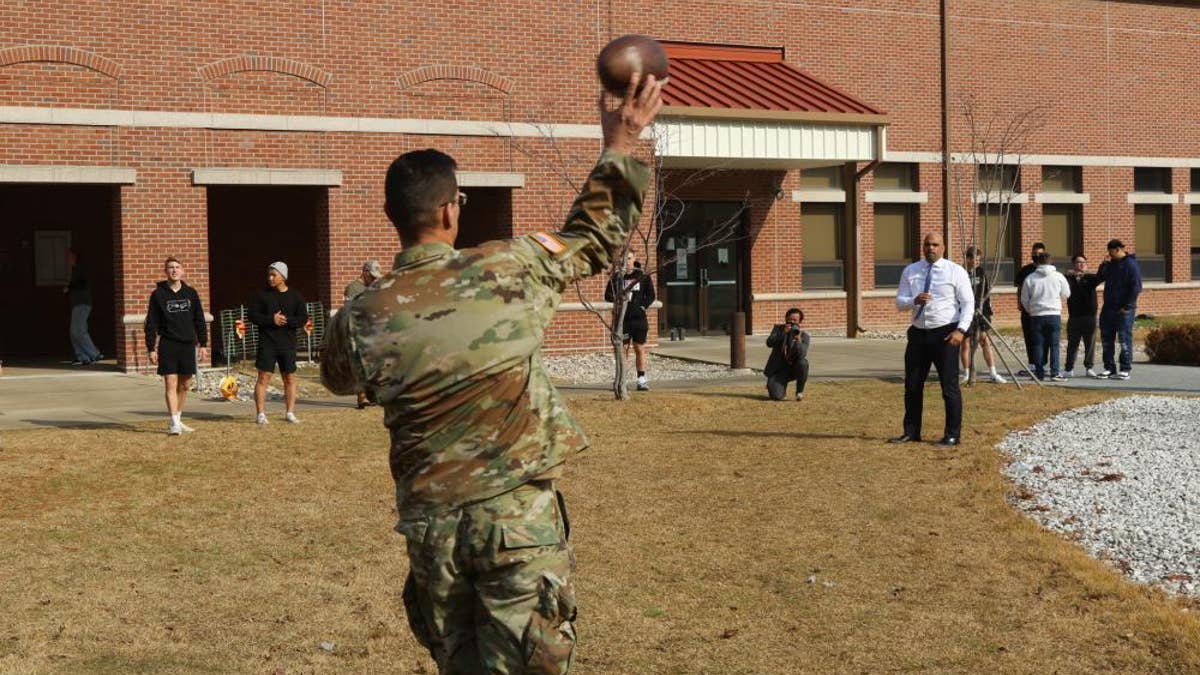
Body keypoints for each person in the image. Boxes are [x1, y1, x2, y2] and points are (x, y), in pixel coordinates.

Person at [320, 72, 662, 673]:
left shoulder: (362, 315)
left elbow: (339, 379)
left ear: (390, 215)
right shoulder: (508, 268)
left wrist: (368, 298)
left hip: (434, 532)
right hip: (516, 521)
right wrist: (622, 141)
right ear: (452, 210)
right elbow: (595, 240)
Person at [890, 232, 974, 447]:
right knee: (912, 385)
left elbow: (968, 304)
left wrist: (961, 331)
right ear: (922, 247)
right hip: (918, 333)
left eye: (935, 245)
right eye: (927, 244)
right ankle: (911, 431)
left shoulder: (956, 272)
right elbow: (899, 302)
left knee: (949, 387)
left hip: (945, 334)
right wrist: (913, 300)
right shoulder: (911, 271)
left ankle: (952, 435)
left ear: (943, 247)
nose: (931, 248)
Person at [144, 257, 209, 435]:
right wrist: (151, 347)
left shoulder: (191, 293)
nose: (174, 270)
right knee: (170, 383)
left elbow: (199, 320)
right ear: (166, 271)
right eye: (170, 267)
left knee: (185, 384)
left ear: (182, 271)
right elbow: (151, 323)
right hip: (168, 344)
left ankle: (178, 419)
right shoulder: (158, 295)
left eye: (177, 267)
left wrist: (203, 344)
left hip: (187, 345)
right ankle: (173, 422)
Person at [249, 261, 307, 424]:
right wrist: (271, 319)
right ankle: (260, 414)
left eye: (274, 275)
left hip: (287, 344)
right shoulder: (261, 295)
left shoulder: (295, 296)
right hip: (267, 343)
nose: (270, 278)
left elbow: (303, 318)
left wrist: (287, 321)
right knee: (263, 378)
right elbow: (252, 316)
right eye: (269, 274)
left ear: (283, 276)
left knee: (289, 378)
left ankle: (290, 412)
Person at [604, 251, 656, 391]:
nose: (626, 262)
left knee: (639, 348)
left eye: (629, 258)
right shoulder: (617, 277)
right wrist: (619, 299)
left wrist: (642, 306)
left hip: (638, 319)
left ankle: (641, 380)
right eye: (622, 260)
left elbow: (651, 295)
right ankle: (622, 380)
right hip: (622, 320)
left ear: (634, 259)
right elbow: (608, 295)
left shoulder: (642, 276)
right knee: (621, 350)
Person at [1095, 238, 1142, 380]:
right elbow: (1099, 278)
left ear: (1118, 250)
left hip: (1124, 310)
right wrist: (1102, 266)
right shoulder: (1110, 265)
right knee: (1106, 339)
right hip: (1108, 307)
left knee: (1124, 338)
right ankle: (1109, 368)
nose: (1109, 255)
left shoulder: (1131, 265)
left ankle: (1125, 368)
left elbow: (1136, 287)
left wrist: (1127, 306)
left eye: (1111, 253)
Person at [1019, 252, 1071, 381]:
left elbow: (1024, 299)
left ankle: (1039, 373)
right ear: (1051, 262)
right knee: (1054, 345)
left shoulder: (1030, 278)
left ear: (1037, 262)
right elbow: (1066, 293)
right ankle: (1054, 372)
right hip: (1053, 313)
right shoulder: (1058, 276)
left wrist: (1030, 310)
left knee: (1037, 344)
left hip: (1036, 315)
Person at [959, 246, 1006, 384]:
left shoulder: (980, 272)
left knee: (984, 341)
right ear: (968, 259)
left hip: (981, 312)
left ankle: (993, 373)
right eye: (974, 258)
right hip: (966, 313)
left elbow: (986, 292)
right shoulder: (961, 273)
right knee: (966, 343)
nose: (977, 261)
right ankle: (967, 374)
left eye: (979, 259)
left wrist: (987, 309)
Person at [343, 260, 383, 408]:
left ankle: (372, 395)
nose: (374, 279)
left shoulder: (373, 287)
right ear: (365, 272)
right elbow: (349, 311)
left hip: (371, 330)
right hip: (357, 330)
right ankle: (362, 397)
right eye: (372, 276)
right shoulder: (353, 288)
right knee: (359, 364)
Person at [1063, 253, 1101, 378]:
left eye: (1084, 262)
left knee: (1090, 344)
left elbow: (1100, 277)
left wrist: (1104, 264)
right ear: (1074, 265)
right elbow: (1060, 279)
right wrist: (1071, 274)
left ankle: (1089, 367)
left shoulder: (1090, 278)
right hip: (1074, 316)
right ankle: (1069, 368)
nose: (1082, 265)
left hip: (1090, 316)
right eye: (1079, 262)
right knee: (1072, 343)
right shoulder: (1067, 278)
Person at [64, 247, 102, 366]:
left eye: (69, 255)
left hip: (82, 303)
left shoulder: (81, 269)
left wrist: (68, 287)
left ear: (75, 256)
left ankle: (94, 354)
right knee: (74, 332)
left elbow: (81, 283)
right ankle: (82, 357)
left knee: (79, 331)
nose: (67, 258)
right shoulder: (75, 269)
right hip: (77, 304)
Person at [1014, 242, 1046, 376]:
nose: (1036, 256)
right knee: (1029, 337)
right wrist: (1019, 303)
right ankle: (1032, 364)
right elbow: (1020, 289)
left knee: (1043, 338)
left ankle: (1043, 365)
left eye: (1039, 254)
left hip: (1042, 310)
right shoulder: (1025, 270)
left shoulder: (1049, 270)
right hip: (1027, 310)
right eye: (1034, 253)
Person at [764, 308, 810, 401]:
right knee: (776, 397)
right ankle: (776, 386)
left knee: (803, 363)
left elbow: (802, 355)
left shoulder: (804, 336)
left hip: (793, 368)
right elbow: (769, 343)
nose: (792, 322)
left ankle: (799, 392)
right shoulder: (778, 329)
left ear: (800, 322)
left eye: (795, 320)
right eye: (790, 320)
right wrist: (783, 333)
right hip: (778, 370)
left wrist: (798, 342)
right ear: (785, 319)